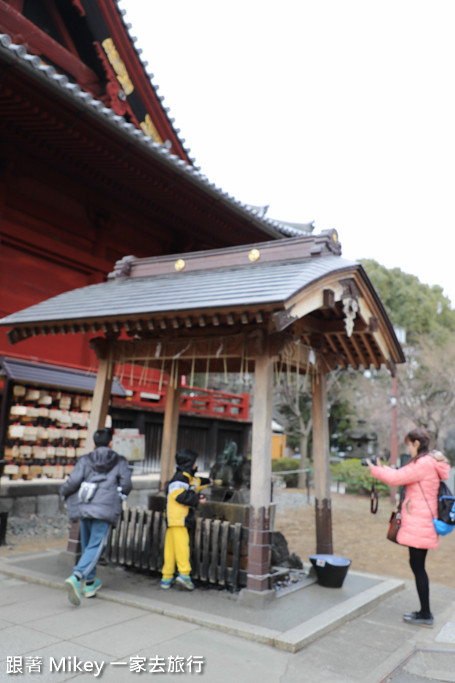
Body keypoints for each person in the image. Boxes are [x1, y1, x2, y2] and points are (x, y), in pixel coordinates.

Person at [367, 428, 450, 627]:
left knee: (418, 567)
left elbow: (396, 479)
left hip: (420, 524)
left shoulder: (423, 464)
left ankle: (425, 614)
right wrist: (382, 468)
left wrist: (374, 469)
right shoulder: (428, 462)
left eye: (409, 445)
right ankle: (424, 611)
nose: (408, 448)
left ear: (417, 444)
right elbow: (401, 474)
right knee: (417, 566)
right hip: (421, 523)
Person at [60, 427, 132, 606]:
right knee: (95, 545)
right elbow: (126, 483)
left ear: (94, 443)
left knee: (87, 545)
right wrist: (121, 494)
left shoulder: (86, 459)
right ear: (110, 443)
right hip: (105, 507)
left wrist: (63, 492)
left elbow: (74, 481)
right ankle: (77, 577)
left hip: (85, 505)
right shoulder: (119, 461)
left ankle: (90, 584)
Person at [161, 448, 211, 590]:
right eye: (195, 462)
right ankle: (184, 575)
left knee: (170, 549)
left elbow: (196, 482)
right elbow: (180, 496)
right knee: (183, 547)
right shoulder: (181, 478)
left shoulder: (184, 476)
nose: (196, 464)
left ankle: (166, 577)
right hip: (179, 519)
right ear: (190, 463)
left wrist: (209, 481)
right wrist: (197, 500)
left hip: (172, 519)